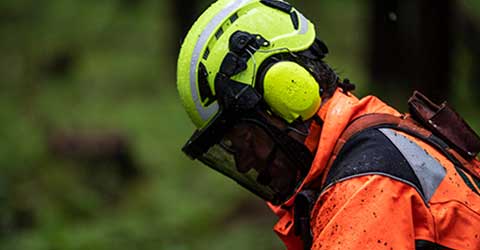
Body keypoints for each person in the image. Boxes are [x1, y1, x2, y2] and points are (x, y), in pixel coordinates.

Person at [176, 0, 480, 249]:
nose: (243, 164)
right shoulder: (378, 143)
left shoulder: (365, 190)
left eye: (245, 138)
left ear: (287, 92)